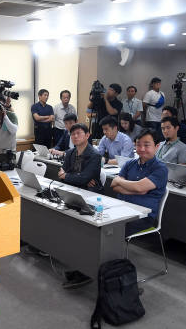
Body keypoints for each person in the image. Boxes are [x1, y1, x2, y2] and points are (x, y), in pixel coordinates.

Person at [57, 123, 103, 289]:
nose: (75, 136)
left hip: (90, 198)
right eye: (73, 134)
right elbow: (63, 174)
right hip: (73, 193)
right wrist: (73, 177)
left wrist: (68, 176)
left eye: (78, 133)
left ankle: (84, 267)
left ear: (87, 135)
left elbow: (82, 179)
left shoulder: (95, 155)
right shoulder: (70, 153)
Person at [111, 129, 168, 236]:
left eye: (146, 145)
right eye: (138, 145)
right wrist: (135, 190)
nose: (141, 149)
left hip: (143, 216)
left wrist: (119, 180)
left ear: (157, 146)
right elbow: (114, 186)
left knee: (110, 229)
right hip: (121, 208)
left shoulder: (160, 168)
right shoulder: (129, 163)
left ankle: (113, 252)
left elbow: (139, 187)